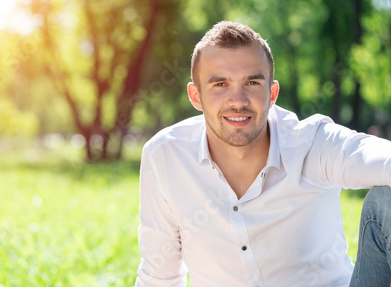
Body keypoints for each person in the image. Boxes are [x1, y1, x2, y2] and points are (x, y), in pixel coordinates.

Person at [135, 21, 391, 287]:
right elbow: (159, 276)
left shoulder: (313, 144)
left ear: (272, 93)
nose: (238, 100)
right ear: (195, 96)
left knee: (387, 202)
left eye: (252, 83)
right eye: (220, 84)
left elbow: (379, 157)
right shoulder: (165, 156)